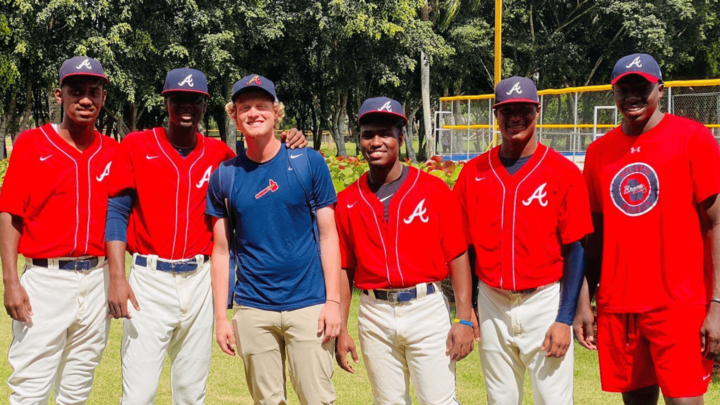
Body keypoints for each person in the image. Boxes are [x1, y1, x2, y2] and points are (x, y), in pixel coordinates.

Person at [105, 68, 307, 403]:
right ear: (166, 101)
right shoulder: (137, 145)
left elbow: (262, 163)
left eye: (195, 101)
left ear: (204, 106)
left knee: (190, 392)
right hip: (148, 278)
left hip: (199, 279)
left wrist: (288, 140)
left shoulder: (221, 157)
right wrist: (116, 277)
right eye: (178, 99)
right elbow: (117, 212)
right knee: (139, 393)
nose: (186, 107)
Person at [574, 53, 720, 405]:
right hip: (620, 305)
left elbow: (716, 224)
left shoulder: (693, 138)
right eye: (624, 89)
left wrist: (717, 304)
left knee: (684, 401)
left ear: (660, 87)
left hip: (680, 304)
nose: (632, 96)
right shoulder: (599, 152)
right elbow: (593, 237)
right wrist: (583, 302)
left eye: (641, 86)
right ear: (613, 93)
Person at [454, 76, 593, 405]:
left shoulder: (562, 172)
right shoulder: (473, 173)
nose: (515, 116)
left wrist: (564, 317)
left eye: (523, 109)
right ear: (496, 114)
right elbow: (462, 248)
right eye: (507, 110)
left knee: (553, 399)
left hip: (544, 300)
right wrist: (467, 308)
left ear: (537, 111)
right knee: (500, 399)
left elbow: (576, 249)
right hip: (492, 301)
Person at [333, 97, 477, 404]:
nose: (375, 142)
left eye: (385, 133)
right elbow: (344, 268)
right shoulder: (347, 200)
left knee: (438, 401)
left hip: (426, 307)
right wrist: (342, 329)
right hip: (374, 312)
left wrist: (463, 318)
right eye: (368, 134)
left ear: (401, 137)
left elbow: (457, 254)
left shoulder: (434, 190)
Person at [206, 74, 340, 405]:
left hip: (309, 304)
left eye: (262, 106)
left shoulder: (308, 162)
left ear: (276, 112)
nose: (254, 113)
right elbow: (221, 252)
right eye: (245, 107)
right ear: (234, 116)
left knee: (318, 399)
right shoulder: (226, 175)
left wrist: (333, 303)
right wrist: (221, 317)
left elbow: (328, 235)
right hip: (253, 308)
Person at [0, 56, 117, 404]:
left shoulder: (113, 151)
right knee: (30, 385)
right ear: (58, 95)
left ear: (103, 98)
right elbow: (10, 214)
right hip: (45, 279)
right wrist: (10, 282)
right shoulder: (31, 143)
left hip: (98, 279)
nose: (85, 99)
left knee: (78, 385)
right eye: (76, 90)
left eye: (93, 91)